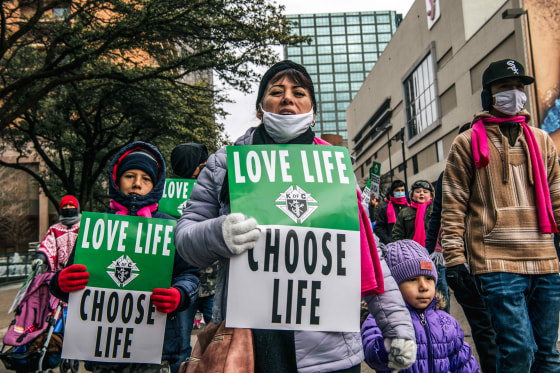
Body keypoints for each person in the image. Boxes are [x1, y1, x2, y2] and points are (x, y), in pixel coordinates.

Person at [174, 60, 417, 373]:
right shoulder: (224, 165)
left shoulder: (336, 170)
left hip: (327, 348)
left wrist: (398, 327)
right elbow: (185, 240)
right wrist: (218, 234)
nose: (287, 98)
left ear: (312, 111)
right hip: (249, 344)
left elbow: (366, 253)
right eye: (276, 91)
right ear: (260, 109)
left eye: (298, 92)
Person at [442, 58, 560, 372]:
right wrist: (454, 258)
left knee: (549, 355)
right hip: (496, 262)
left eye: (519, 87)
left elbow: (558, 195)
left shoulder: (541, 140)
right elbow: (453, 203)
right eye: (505, 87)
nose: (515, 94)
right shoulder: (466, 143)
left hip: (545, 258)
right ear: (488, 95)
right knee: (519, 352)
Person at [49, 141, 200, 373]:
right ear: (117, 179)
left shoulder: (170, 227)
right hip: (102, 351)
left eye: (146, 179)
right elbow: (70, 279)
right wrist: (60, 283)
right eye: (130, 175)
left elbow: (189, 274)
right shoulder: (95, 228)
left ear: (156, 184)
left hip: (155, 351)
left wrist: (179, 295)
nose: (137, 184)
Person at [426, 128, 498, 373]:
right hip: (464, 263)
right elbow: (437, 218)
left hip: (501, 260)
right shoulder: (447, 175)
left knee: (507, 329)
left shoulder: (498, 168)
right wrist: (428, 257)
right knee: (485, 328)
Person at [361, 240, 480, 372]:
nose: (424, 287)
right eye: (412, 279)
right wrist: (388, 348)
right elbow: (371, 354)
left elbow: (463, 364)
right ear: (392, 286)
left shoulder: (447, 322)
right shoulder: (382, 319)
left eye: (428, 278)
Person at [169, 142, 218, 364]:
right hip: (181, 286)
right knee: (180, 348)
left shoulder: (214, 192)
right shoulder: (164, 198)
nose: (208, 167)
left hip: (213, 284)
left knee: (220, 342)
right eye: (202, 164)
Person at [33, 195, 81, 272]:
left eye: (71, 205)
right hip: (60, 274)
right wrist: (40, 257)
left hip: (80, 271)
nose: (68, 208)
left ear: (77, 208)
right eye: (65, 206)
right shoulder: (54, 229)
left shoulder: (84, 226)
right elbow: (47, 246)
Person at [391, 180, 433, 245]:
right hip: (411, 251)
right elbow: (397, 234)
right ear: (412, 196)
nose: (421, 193)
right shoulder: (404, 213)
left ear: (431, 196)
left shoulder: (436, 210)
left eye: (425, 192)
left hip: (433, 251)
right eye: (417, 192)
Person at [374, 180, 408, 244]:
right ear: (392, 193)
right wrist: (388, 241)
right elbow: (378, 228)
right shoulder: (384, 209)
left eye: (402, 190)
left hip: (408, 245)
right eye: (397, 190)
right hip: (391, 244)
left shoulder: (409, 207)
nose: (400, 192)